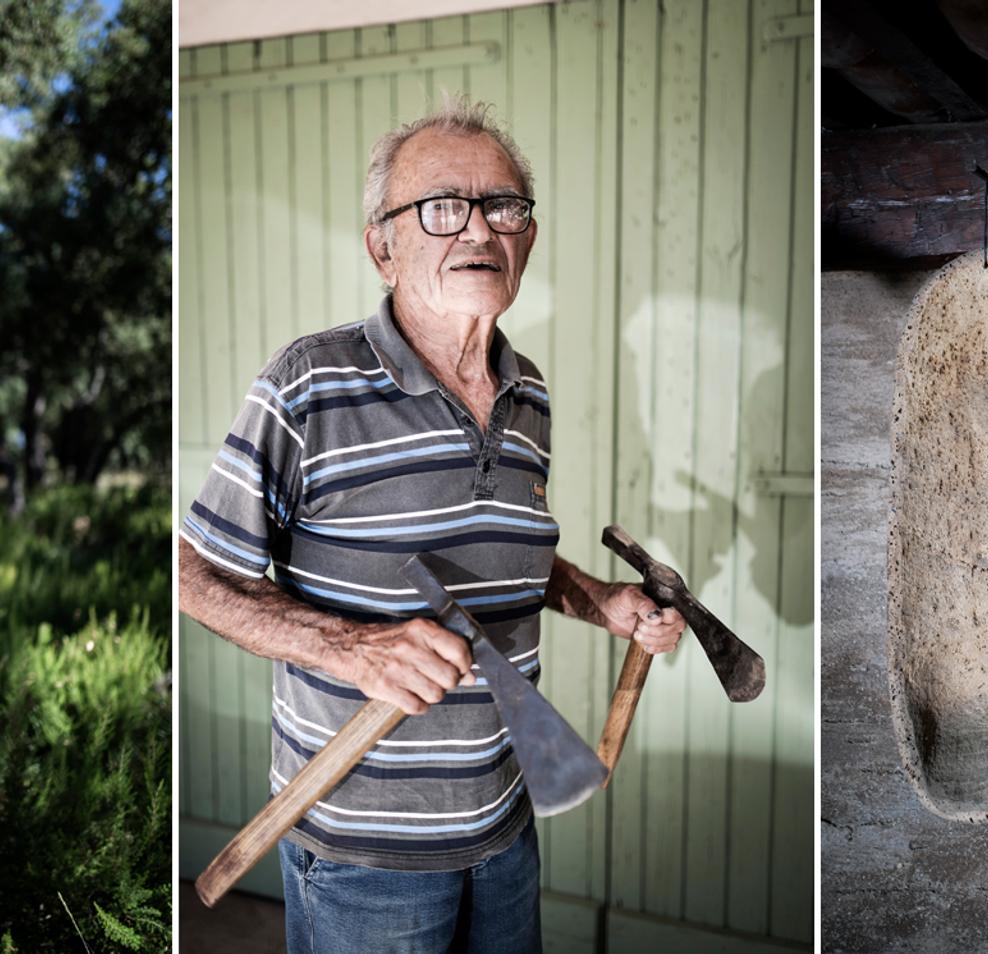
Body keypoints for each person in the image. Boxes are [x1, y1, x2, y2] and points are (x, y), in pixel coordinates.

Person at [178, 95, 684, 954]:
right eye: (443, 208)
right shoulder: (310, 385)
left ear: (528, 236)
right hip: (363, 853)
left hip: (504, 826)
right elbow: (191, 573)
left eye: (504, 207)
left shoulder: (529, 393)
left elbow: (510, 556)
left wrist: (605, 603)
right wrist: (351, 648)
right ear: (383, 245)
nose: (479, 230)